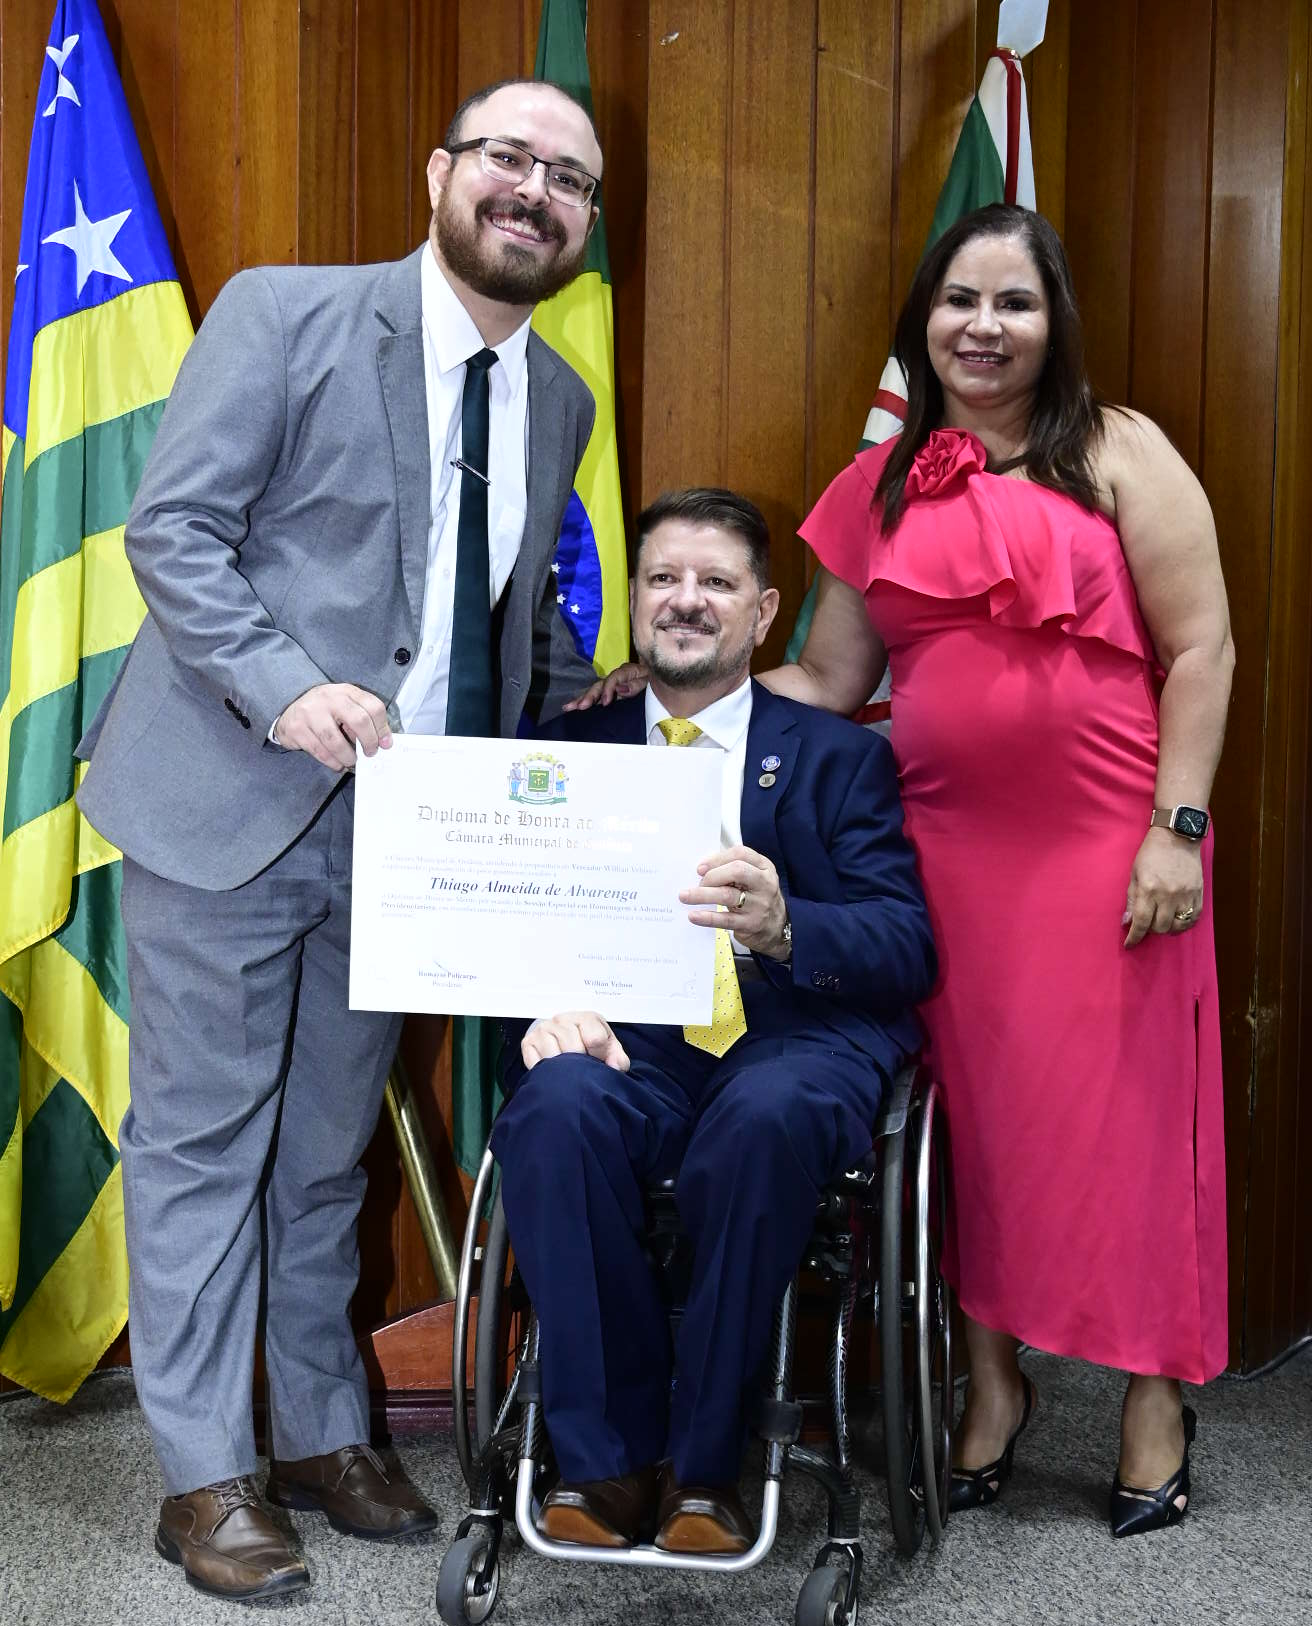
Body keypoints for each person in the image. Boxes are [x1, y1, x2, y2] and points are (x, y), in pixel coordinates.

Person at [75, 79, 604, 1602]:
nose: (534, 191)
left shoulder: (559, 397)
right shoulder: (286, 314)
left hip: (405, 844)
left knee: (323, 1154)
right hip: (227, 804)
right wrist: (285, 687)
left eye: (569, 178)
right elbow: (174, 530)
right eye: (507, 157)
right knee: (199, 1149)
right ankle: (204, 1474)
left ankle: (316, 1430)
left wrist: (603, 699)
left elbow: (497, 625)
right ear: (441, 172)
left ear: (583, 224)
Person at [781, 204, 1233, 1536]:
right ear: (922, 319)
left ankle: (1154, 1398)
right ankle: (993, 1387)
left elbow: (1202, 648)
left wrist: (1178, 827)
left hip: (1112, 847)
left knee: (1130, 1129)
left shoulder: (1120, 451)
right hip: (943, 859)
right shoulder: (877, 485)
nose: (983, 327)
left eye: (1014, 303)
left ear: (1054, 322)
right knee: (975, 1129)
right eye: (959, 300)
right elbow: (828, 681)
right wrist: (667, 696)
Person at [491, 490, 935, 1554]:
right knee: (553, 1109)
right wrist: (545, 999)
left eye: (717, 583)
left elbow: (906, 946)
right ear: (634, 600)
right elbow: (505, 916)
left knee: (763, 1120)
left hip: (797, 1041)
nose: (686, 601)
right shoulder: (566, 748)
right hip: (629, 1039)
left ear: (764, 612)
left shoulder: (839, 757)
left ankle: (707, 1466)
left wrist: (787, 927)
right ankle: (607, 1465)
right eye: (663, 579)